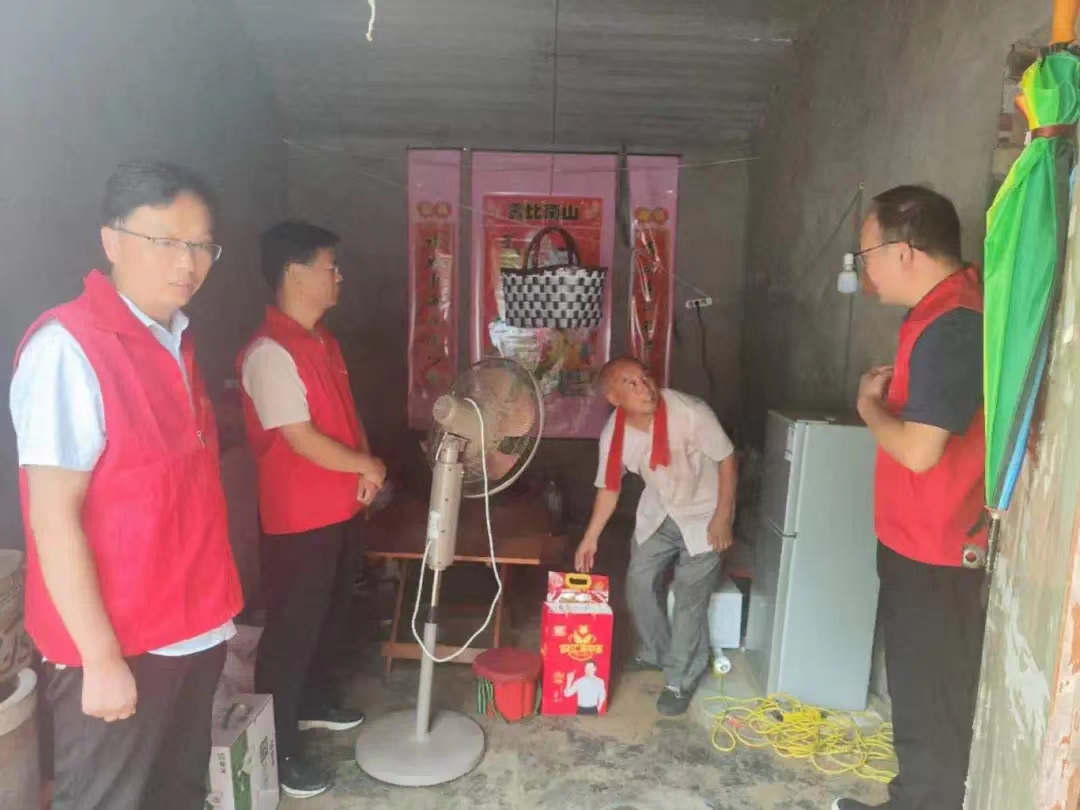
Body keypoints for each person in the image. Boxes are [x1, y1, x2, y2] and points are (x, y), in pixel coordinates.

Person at [9, 161, 242, 810]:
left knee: (178, 793)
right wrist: (100, 658)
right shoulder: (69, 348)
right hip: (121, 644)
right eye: (165, 240)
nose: (188, 262)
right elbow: (53, 518)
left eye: (202, 245)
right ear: (111, 241)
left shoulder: (174, 342)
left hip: (193, 627)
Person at [833, 186, 986, 810]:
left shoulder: (954, 325)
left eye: (866, 254)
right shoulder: (938, 313)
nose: (863, 269)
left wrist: (869, 406)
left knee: (931, 704)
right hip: (917, 541)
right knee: (920, 698)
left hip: (937, 550)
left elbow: (921, 452)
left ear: (905, 251)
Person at [238, 220, 386, 799]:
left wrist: (365, 468)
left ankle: (313, 702)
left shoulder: (322, 341)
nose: (339, 277)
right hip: (298, 520)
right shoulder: (269, 352)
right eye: (331, 267)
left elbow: (346, 416)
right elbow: (300, 438)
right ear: (295, 273)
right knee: (292, 632)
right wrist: (367, 466)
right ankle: (279, 749)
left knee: (331, 616)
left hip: (339, 509)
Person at [574, 358, 738, 716]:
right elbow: (609, 488)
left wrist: (723, 517)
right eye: (630, 384)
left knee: (689, 599)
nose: (645, 388)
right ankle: (658, 652)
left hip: (704, 514)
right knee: (638, 583)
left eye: (644, 378)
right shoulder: (615, 433)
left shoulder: (690, 412)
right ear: (614, 398)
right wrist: (590, 538)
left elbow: (727, 459)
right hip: (660, 513)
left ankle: (681, 678)